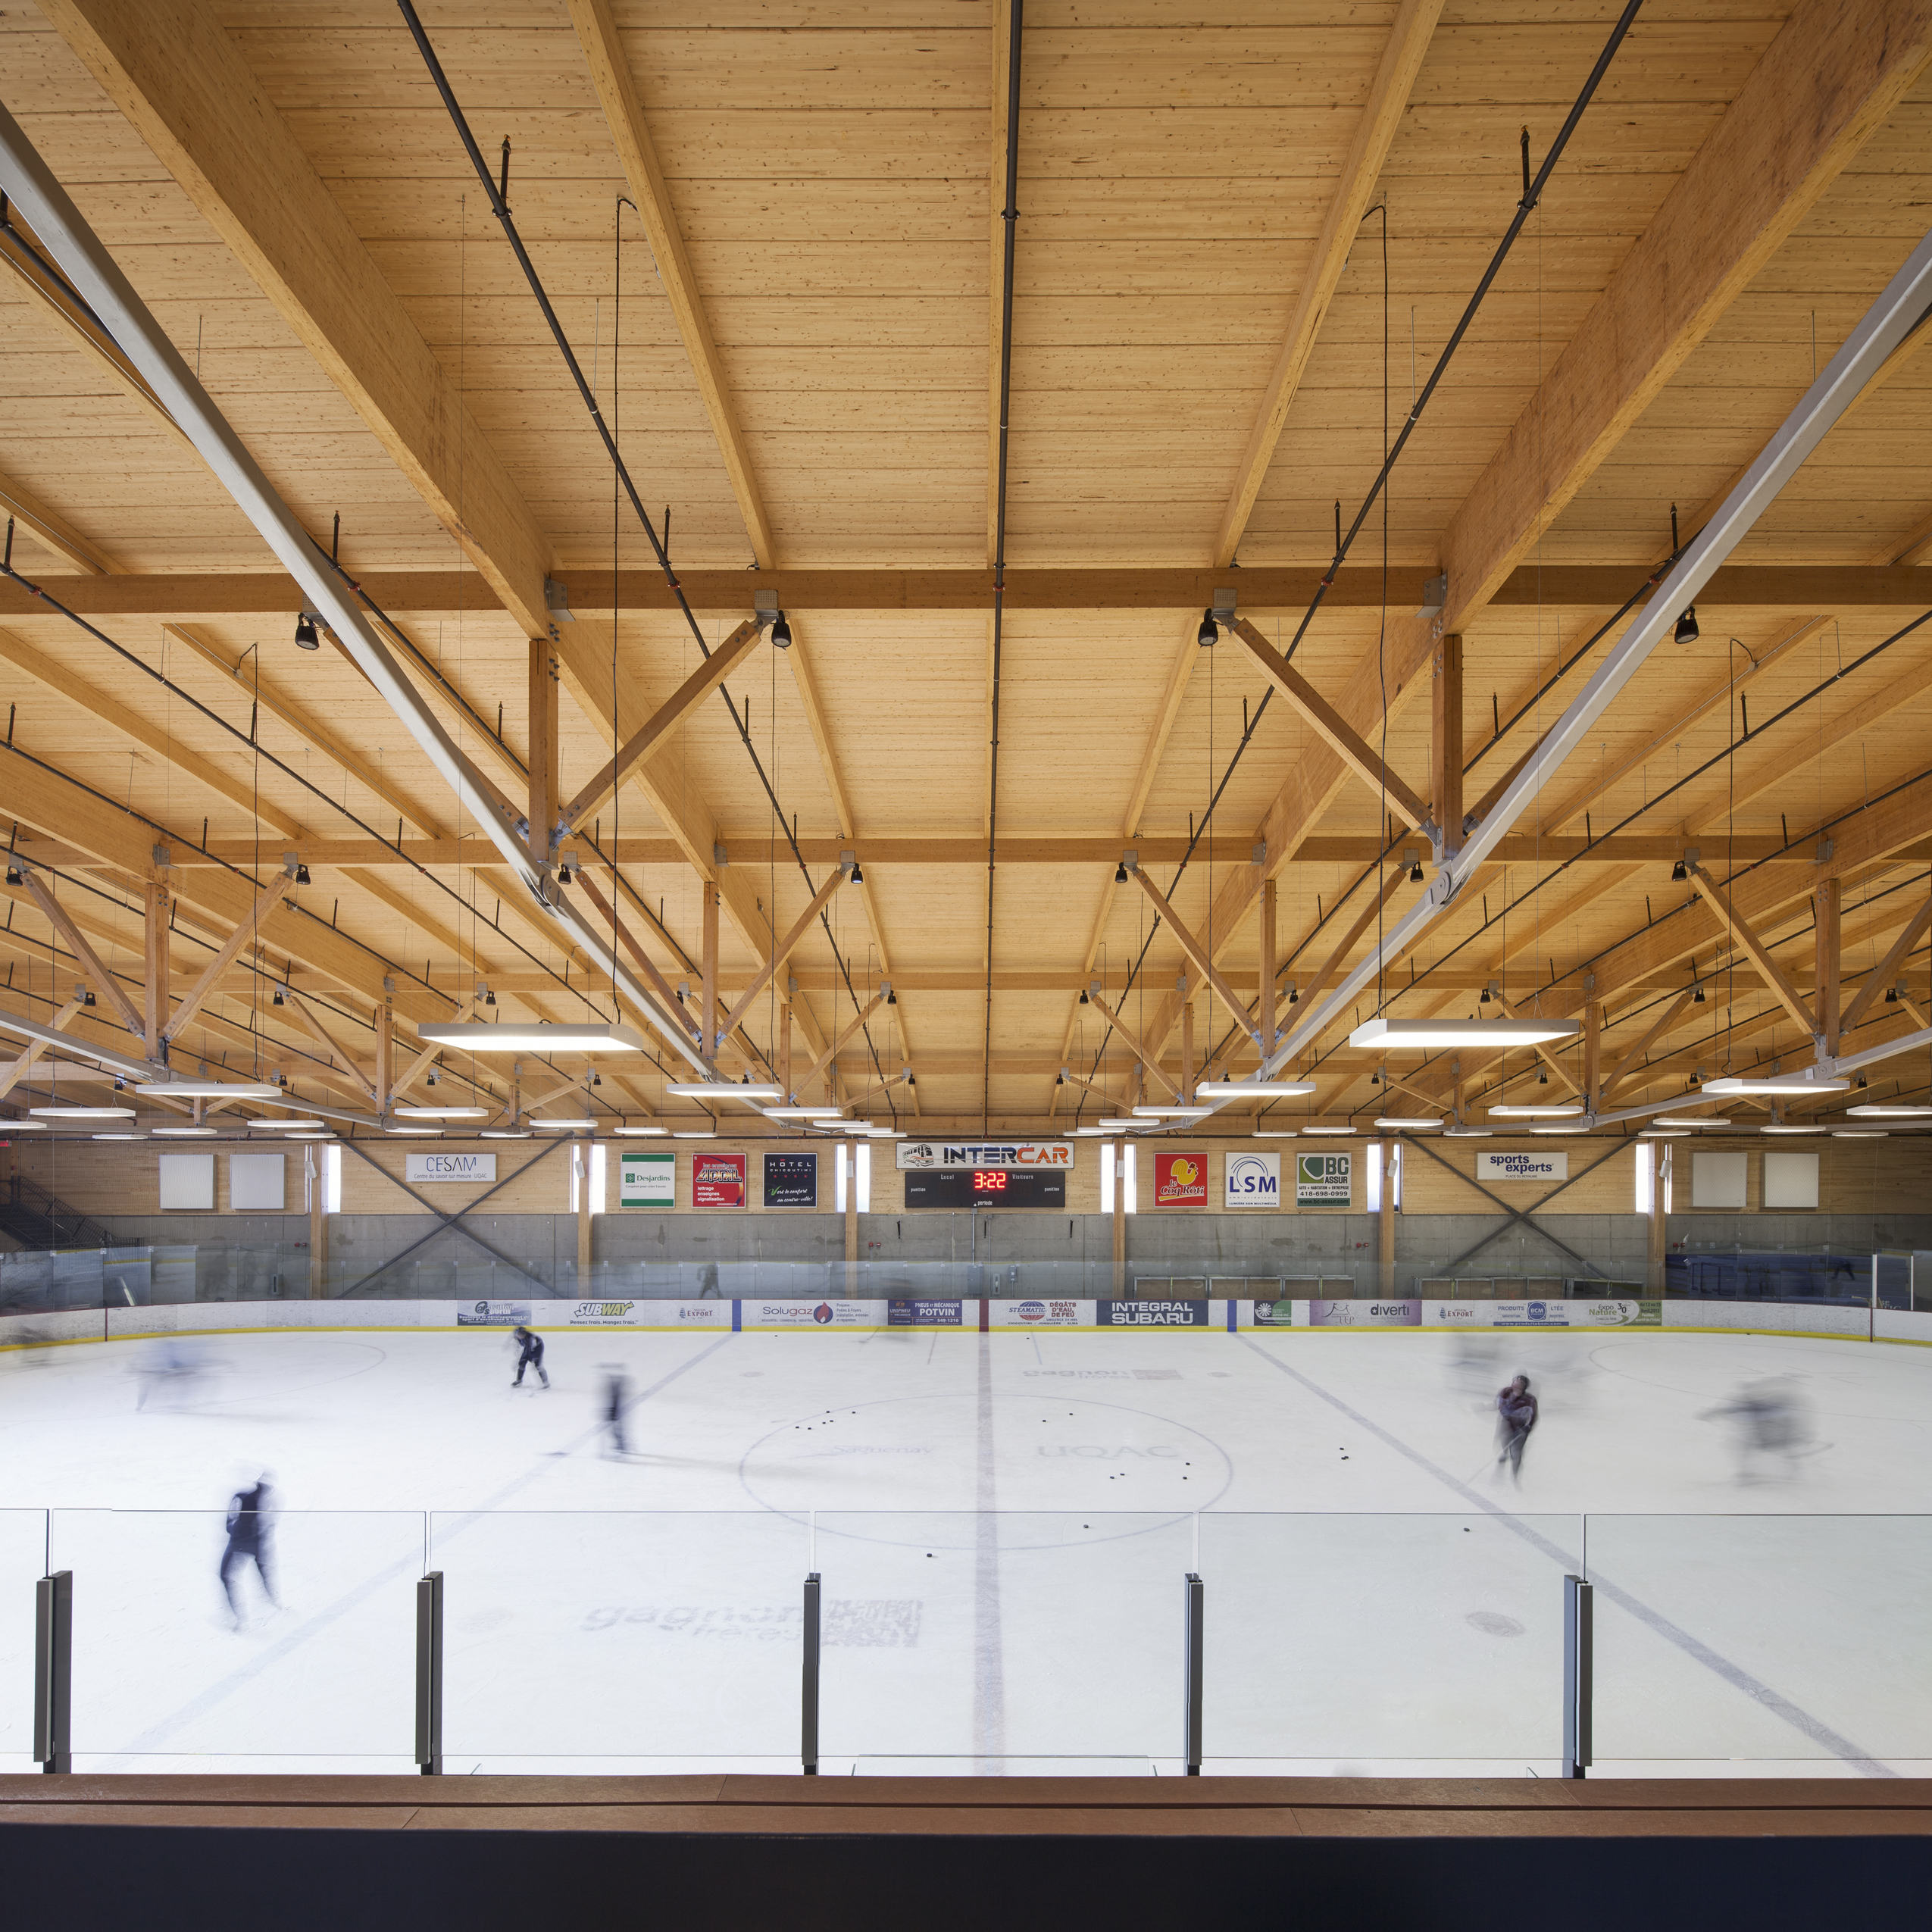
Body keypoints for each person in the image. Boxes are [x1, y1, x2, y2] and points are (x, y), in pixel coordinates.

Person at [220, 1473, 277, 1629]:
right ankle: (274, 1601)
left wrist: (233, 1529)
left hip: (239, 1542)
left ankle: (241, 1619)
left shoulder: (242, 1496)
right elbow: (269, 1526)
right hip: (254, 1542)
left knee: (226, 1576)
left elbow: (228, 1522)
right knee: (263, 1572)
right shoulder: (267, 1503)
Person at [1494, 1374, 1537, 1485]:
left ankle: (1515, 1477)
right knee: (1505, 1443)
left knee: (1517, 1453)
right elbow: (1500, 1405)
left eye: (1519, 1383)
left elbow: (1534, 1416)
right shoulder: (1505, 1392)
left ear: (1524, 1387)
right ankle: (1505, 1454)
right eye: (1515, 1381)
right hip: (1507, 1425)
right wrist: (1505, 1410)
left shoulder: (1530, 1400)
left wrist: (1528, 1427)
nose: (1516, 1384)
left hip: (1520, 1429)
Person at [600, 1364, 630, 1458]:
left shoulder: (616, 1390)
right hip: (614, 1412)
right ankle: (621, 1445)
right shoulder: (615, 1389)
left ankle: (622, 1445)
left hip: (615, 1412)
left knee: (616, 1430)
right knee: (615, 1430)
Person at [511, 1324, 549, 1390]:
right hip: (528, 1348)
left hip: (537, 1349)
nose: (518, 1337)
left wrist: (533, 1358)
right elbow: (520, 1345)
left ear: (524, 1334)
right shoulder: (519, 1337)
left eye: (520, 1335)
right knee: (522, 1363)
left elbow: (531, 1350)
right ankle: (519, 1380)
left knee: (537, 1365)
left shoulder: (532, 1339)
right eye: (517, 1335)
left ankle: (546, 1382)